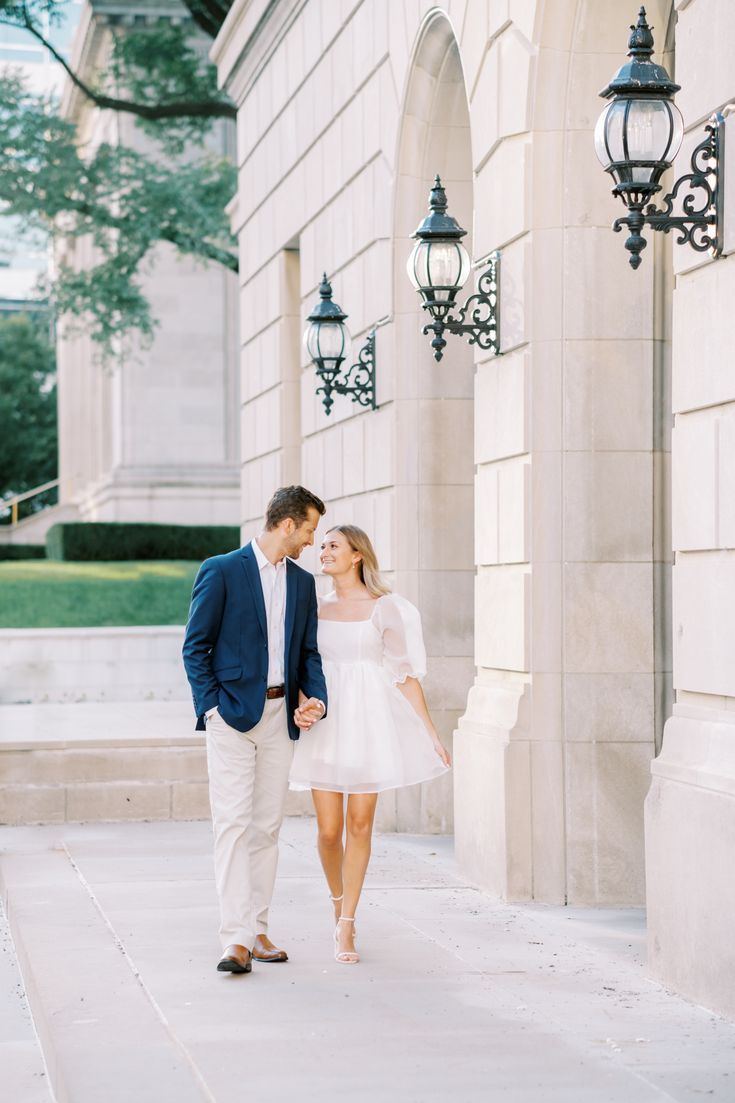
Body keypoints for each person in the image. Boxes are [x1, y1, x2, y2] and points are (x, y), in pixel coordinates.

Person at [182, 486, 328, 975]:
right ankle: (235, 939)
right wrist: (212, 710)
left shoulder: (303, 585)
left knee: (266, 828)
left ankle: (258, 928)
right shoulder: (221, 570)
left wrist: (316, 699)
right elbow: (194, 648)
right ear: (287, 524)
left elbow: (308, 654)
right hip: (232, 719)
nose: (312, 540)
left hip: (279, 718)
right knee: (232, 825)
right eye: (309, 529)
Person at [289, 524, 451, 964]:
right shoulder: (313, 607)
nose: (323, 551)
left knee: (359, 825)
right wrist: (305, 705)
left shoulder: (386, 608)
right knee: (327, 830)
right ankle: (337, 900)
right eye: (321, 545)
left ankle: (347, 924)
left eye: (333, 546)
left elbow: (403, 675)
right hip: (326, 719)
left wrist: (430, 732)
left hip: (369, 721)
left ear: (357, 555)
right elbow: (302, 665)